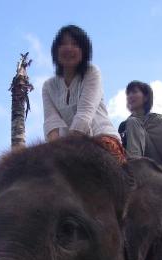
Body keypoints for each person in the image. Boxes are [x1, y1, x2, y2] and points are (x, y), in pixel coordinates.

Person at [42, 25, 125, 163]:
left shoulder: (91, 72)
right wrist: (54, 154)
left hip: (101, 138)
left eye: (75, 44)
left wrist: (68, 154)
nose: (68, 48)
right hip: (64, 148)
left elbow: (84, 115)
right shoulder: (48, 86)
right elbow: (51, 124)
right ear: (56, 51)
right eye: (63, 44)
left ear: (84, 51)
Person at [119, 81, 162, 163]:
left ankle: (134, 166)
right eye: (128, 94)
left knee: (132, 122)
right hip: (126, 162)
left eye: (134, 92)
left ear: (146, 97)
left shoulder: (156, 120)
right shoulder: (123, 126)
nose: (130, 96)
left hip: (157, 166)